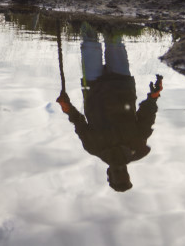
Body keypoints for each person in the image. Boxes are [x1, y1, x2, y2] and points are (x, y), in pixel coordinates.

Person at [56, 24, 163, 192]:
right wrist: (153, 96)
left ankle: (86, 7)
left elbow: (79, 123)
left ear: (109, 174)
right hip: (119, 85)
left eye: (116, 176)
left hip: (96, 87)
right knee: (113, 36)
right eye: (123, 175)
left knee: (93, 37)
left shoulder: (94, 147)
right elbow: (147, 116)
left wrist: (68, 107)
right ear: (127, 173)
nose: (119, 171)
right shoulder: (136, 144)